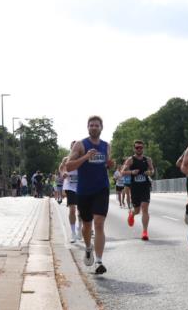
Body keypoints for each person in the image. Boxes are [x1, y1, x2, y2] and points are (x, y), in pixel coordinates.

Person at [65, 116, 115, 275]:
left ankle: (99, 261)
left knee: (99, 224)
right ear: (88, 127)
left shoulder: (106, 146)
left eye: (97, 125)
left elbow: (107, 165)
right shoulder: (81, 145)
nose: (94, 127)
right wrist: (86, 157)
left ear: (101, 128)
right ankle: (88, 248)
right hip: (84, 190)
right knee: (87, 226)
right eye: (91, 125)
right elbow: (69, 165)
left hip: (101, 189)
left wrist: (110, 164)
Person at [122, 140, 155, 241]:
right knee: (137, 210)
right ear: (134, 148)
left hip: (145, 187)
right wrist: (132, 172)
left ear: (143, 148)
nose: (139, 149)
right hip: (135, 188)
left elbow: (152, 171)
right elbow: (122, 172)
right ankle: (132, 214)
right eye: (137, 148)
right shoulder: (130, 160)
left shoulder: (148, 159)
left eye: (141, 147)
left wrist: (149, 172)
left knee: (145, 208)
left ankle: (145, 232)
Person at [60, 147, 80, 243]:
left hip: (81, 187)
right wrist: (63, 173)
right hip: (70, 187)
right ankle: (73, 233)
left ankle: (80, 228)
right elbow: (61, 168)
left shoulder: (82, 158)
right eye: (73, 146)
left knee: (82, 211)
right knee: (72, 210)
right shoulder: (66, 159)